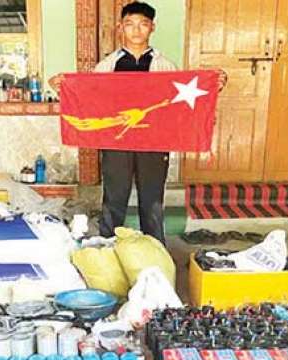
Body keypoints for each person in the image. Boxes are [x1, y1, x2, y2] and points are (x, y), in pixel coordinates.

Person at [50, 1, 226, 244]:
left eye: (143, 24)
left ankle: (154, 248)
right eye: (130, 24)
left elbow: (178, 105)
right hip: (116, 142)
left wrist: (212, 87)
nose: (136, 30)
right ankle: (107, 247)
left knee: (152, 200)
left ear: (152, 27)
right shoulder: (107, 66)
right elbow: (90, 99)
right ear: (120, 27)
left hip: (154, 143)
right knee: (114, 199)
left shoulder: (165, 66)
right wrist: (62, 87)